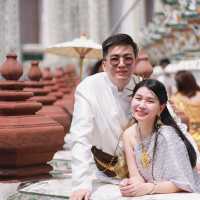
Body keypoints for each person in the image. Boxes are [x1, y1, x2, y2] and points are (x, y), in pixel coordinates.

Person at [70, 33, 148, 200]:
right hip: (107, 172)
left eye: (128, 58)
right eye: (115, 59)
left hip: (145, 172)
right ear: (104, 64)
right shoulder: (88, 88)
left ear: (135, 62)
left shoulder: (144, 87)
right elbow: (80, 137)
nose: (122, 64)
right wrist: (81, 184)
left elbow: (173, 125)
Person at [120, 79, 200, 197]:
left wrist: (149, 188)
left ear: (161, 108)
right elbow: (136, 176)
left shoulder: (167, 135)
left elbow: (185, 183)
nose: (141, 105)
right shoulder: (128, 134)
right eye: (138, 98)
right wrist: (131, 185)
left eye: (150, 101)